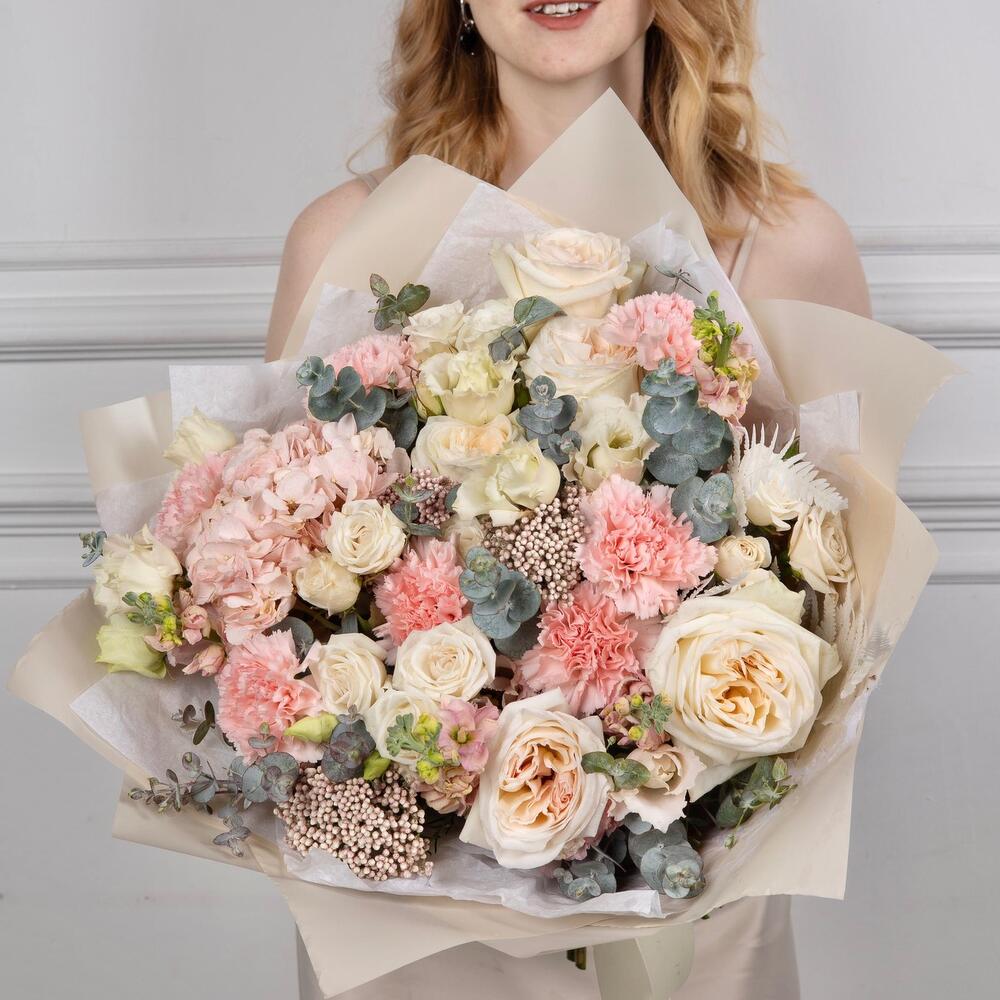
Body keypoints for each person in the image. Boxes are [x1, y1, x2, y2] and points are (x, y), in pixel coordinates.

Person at [272, 3, 872, 996]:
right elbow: (287, 580)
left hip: (691, 908)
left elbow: (844, 610)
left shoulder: (785, 247)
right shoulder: (345, 240)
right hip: (412, 925)